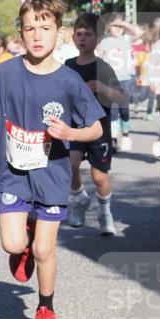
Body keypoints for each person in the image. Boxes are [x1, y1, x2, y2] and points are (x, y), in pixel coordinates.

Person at [0, 0, 104, 319]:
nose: (37, 35)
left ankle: (45, 310)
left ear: (59, 33)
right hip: (12, 171)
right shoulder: (4, 72)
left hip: (52, 173)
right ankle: (24, 234)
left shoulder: (69, 81)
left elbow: (96, 128)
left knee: (45, 251)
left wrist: (72, 133)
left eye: (46, 28)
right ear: (21, 32)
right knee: (12, 242)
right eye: (30, 28)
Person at [65, 13, 126, 236]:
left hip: (99, 128)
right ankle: (78, 198)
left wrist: (101, 87)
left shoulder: (104, 68)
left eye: (87, 34)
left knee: (99, 176)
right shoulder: (68, 66)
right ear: (73, 38)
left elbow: (120, 97)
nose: (82, 38)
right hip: (74, 126)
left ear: (98, 38)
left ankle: (104, 211)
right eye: (78, 34)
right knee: (70, 165)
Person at [96, 12, 140, 151]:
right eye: (114, 26)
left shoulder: (127, 38)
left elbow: (139, 33)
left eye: (119, 26)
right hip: (111, 80)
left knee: (124, 110)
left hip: (126, 78)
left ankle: (126, 134)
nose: (117, 29)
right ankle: (114, 138)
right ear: (109, 27)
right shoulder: (104, 41)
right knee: (113, 110)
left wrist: (125, 24)